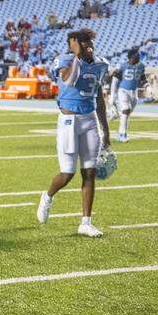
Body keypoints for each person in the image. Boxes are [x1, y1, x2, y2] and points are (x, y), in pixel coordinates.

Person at [37, 28, 111, 238]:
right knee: (67, 173)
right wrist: (77, 56)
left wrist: (105, 129)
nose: (88, 45)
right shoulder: (65, 61)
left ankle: (86, 222)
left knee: (89, 172)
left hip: (89, 120)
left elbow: (98, 97)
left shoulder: (100, 64)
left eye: (89, 42)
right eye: (82, 42)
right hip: (68, 121)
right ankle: (48, 196)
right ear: (73, 44)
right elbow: (69, 80)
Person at [109, 48, 144, 142]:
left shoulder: (141, 66)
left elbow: (143, 78)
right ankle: (122, 134)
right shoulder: (122, 66)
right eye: (135, 56)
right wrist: (112, 95)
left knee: (127, 114)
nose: (137, 58)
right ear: (130, 57)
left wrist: (148, 87)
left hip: (134, 92)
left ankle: (115, 113)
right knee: (126, 110)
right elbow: (115, 80)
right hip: (123, 90)